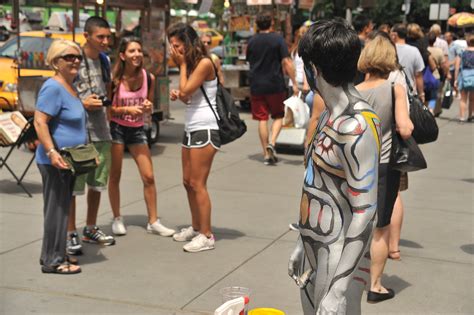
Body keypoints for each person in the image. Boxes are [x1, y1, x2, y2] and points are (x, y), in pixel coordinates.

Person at [288, 19, 381, 314]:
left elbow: (365, 212)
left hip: (337, 253)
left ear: (314, 69)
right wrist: (302, 242)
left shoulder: (357, 126)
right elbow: (315, 180)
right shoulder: (330, 114)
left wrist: (339, 290)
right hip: (315, 246)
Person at [356, 32, 414, 303]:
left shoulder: (353, 90)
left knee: (355, 223)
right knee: (380, 227)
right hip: (382, 165)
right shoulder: (394, 89)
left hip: (355, 164)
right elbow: (404, 127)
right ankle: (375, 285)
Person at [107, 37, 175, 237]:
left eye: (139, 51)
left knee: (149, 176)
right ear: (122, 55)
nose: (136, 55)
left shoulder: (149, 78)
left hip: (137, 130)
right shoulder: (114, 79)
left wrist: (147, 107)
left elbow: (149, 105)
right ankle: (117, 218)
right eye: (131, 51)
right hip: (117, 128)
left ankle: (153, 221)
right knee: (115, 175)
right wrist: (126, 108)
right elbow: (108, 111)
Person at [34, 39, 86, 274]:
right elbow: (40, 121)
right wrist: (52, 152)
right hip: (55, 160)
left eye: (78, 57)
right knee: (56, 210)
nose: (75, 61)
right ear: (56, 61)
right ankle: (53, 261)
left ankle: (55, 254)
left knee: (62, 209)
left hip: (68, 160)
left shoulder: (69, 85)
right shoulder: (53, 86)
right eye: (69, 57)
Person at [167, 23, 219, 253]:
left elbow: (187, 90)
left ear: (187, 44)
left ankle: (206, 235)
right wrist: (181, 93)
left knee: (198, 183)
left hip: (205, 127)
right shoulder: (195, 64)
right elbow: (188, 97)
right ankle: (197, 226)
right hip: (191, 126)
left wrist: (182, 64)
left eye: (177, 45)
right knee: (188, 181)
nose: (174, 50)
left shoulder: (204, 63)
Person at [66, 16, 115, 255]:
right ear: (87, 36)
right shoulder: (73, 60)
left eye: (108, 36)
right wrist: (82, 102)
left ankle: (91, 227)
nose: (106, 41)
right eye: (101, 37)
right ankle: (70, 232)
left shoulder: (105, 61)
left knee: (97, 183)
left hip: (101, 130)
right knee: (74, 185)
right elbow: (61, 91)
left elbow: (108, 90)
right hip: (77, 131)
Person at [246, 11, 298, 165]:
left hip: (256, 84)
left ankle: (265, 153)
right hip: (275, 84)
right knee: (278, 116)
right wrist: (295, 82)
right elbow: (287, 62)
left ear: (257, 25)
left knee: (262, 119)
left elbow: (249, 60)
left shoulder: (252, 41)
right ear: (271, 24)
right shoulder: (277, 40)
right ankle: (272, 143)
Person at [390, 24, 425, 102]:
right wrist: (421, 93)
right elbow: (418, 75)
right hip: (408, 93)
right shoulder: (414, 51)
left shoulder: (387, 50)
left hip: (389, 91)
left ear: (394, 35)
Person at [454, 33, 474, 123]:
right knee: (472, 99)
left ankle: (462, 117)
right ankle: (470, 115)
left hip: (464, 77)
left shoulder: (462, 52)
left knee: (463, 98)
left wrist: (455, 79)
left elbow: (457, 66)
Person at [288, 25, 310, 96]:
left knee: (292, 105)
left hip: (292, 82)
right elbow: (305, 67)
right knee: (301, 106)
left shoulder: (294, 49)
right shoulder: (305, 50)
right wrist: (306, 83)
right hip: (301, 83)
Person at [353, 13, 374, 84]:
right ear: (366, 29)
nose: (372, 28)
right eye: (371, 26)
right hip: (362, 84)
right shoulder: (368, 45)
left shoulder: (348, 42)